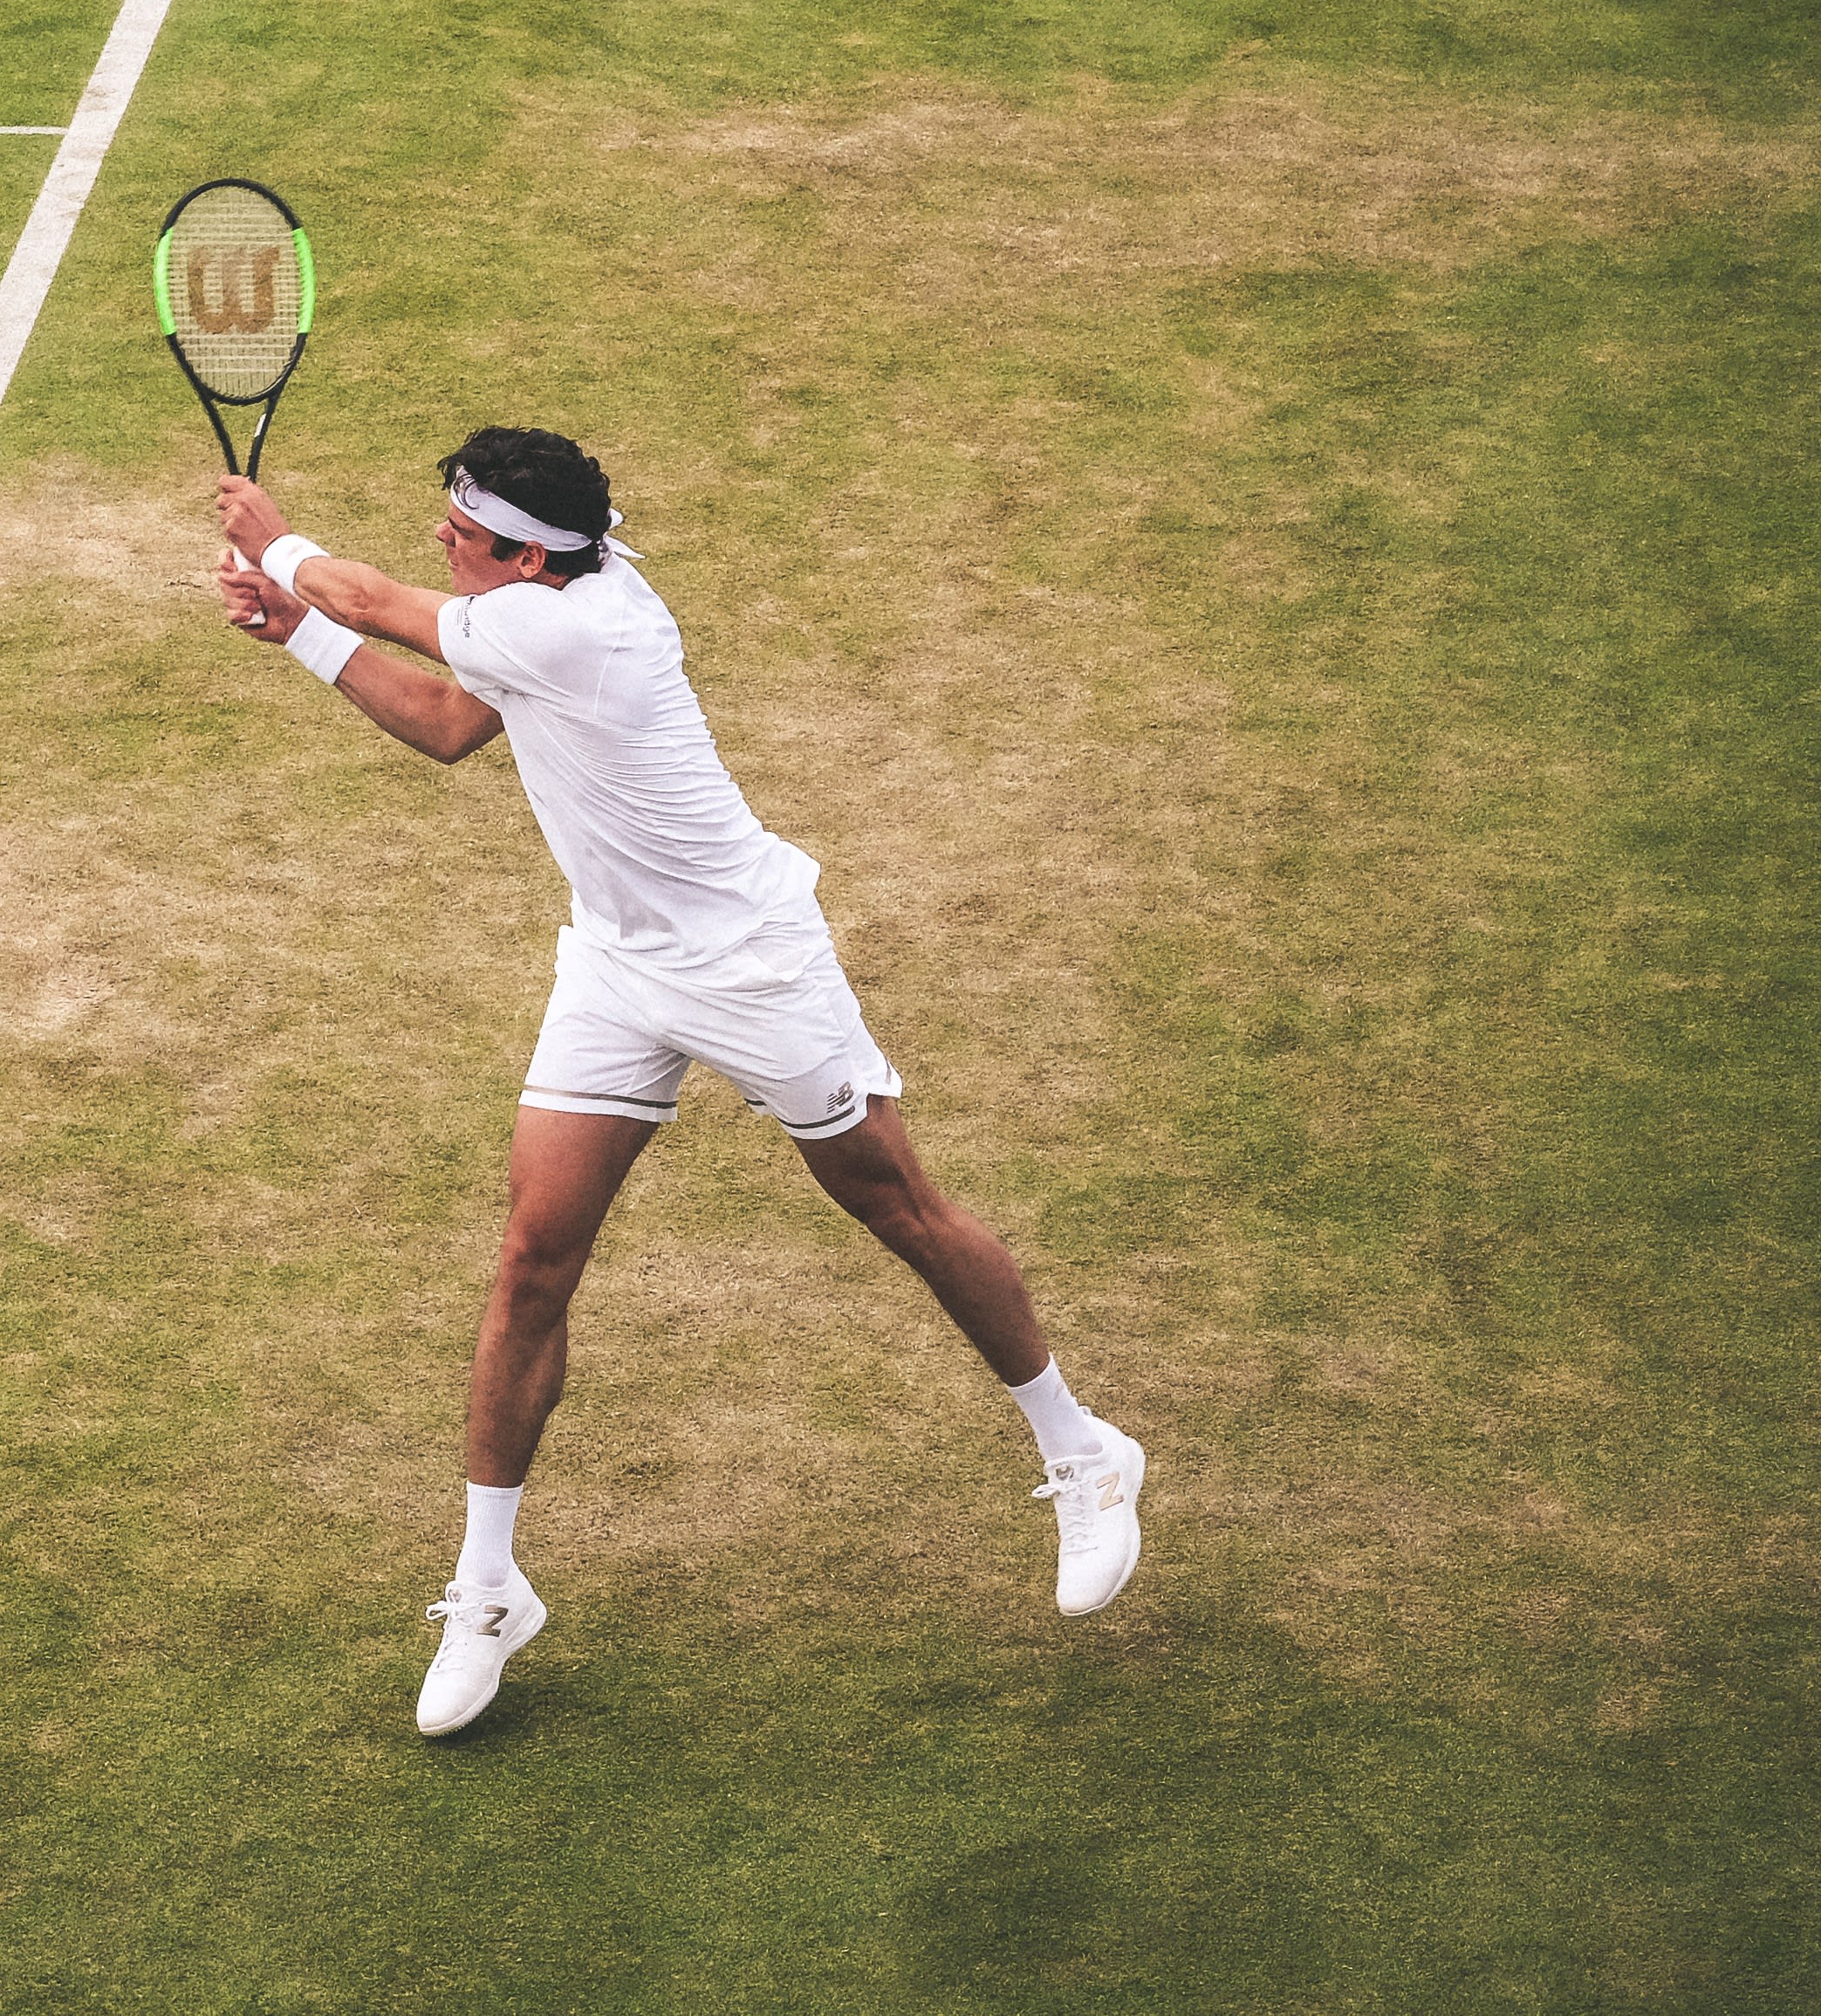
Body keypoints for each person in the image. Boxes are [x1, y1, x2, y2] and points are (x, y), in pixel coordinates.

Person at [214, 426, 1146, 1738]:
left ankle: (1080, 1445)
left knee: (898, 1207)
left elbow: (363, 592)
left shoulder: (568, 631)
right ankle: (490, 1587)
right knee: (534, 1256)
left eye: (463, 532)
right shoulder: (536, 606)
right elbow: (440, 723)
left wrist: (276, 541)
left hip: (753, 966)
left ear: (526, 557)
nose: (442, 541)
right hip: (616, 965)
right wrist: (296, 634)